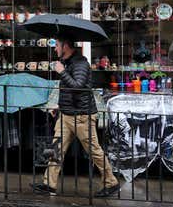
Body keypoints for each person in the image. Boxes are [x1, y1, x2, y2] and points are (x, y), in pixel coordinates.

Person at [32, 36, 119, 197]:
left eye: (57, 45)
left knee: (94, 151)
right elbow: (67, 89)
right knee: (56, 148)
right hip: (66, 114)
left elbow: (78, 87)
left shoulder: (80, 63)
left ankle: (111, 182)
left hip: (82, 116)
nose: (55, 49)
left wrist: (62, 72)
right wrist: (59, 106)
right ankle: (49, 184)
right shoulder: (68, 63)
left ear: (65, 46)